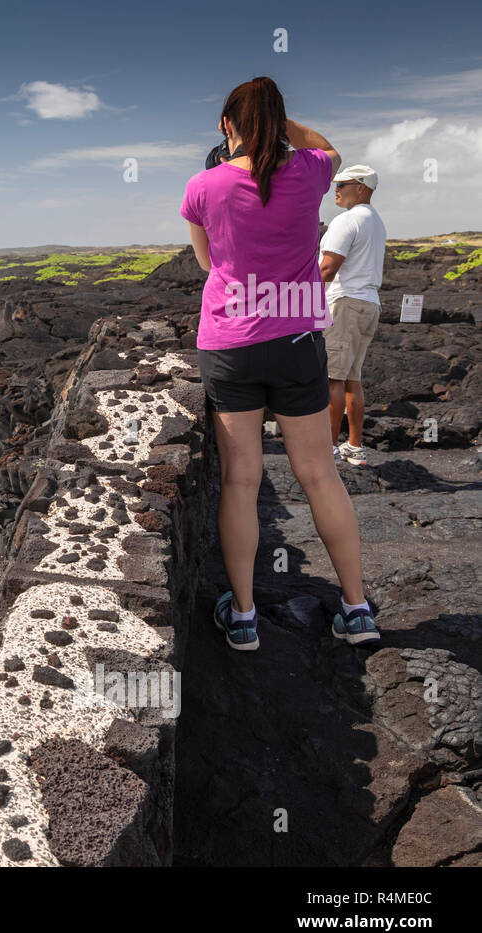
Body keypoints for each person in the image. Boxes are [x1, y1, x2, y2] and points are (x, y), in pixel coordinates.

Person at [179, 76, 379, 651]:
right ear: (279, 123)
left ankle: (242, 619)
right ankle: (357, 609)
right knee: (320, 474)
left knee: (241, 480)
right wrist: (277, 123)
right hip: (297, 341)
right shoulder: (310, 172)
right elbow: (331, 149)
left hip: (231, 341)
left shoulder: (203, 186)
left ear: (225, 126)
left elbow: (205, 260)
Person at [320, 165, 386, 465]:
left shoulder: (347, 220)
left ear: (360, 187)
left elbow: (327, 269)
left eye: (341, 184)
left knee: (333, 377)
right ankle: (354, 446)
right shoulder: (376, 221)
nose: (335, 189)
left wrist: (298, 300)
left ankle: (330, 448)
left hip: (345, 303)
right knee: (352, 379)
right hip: (370, 304)